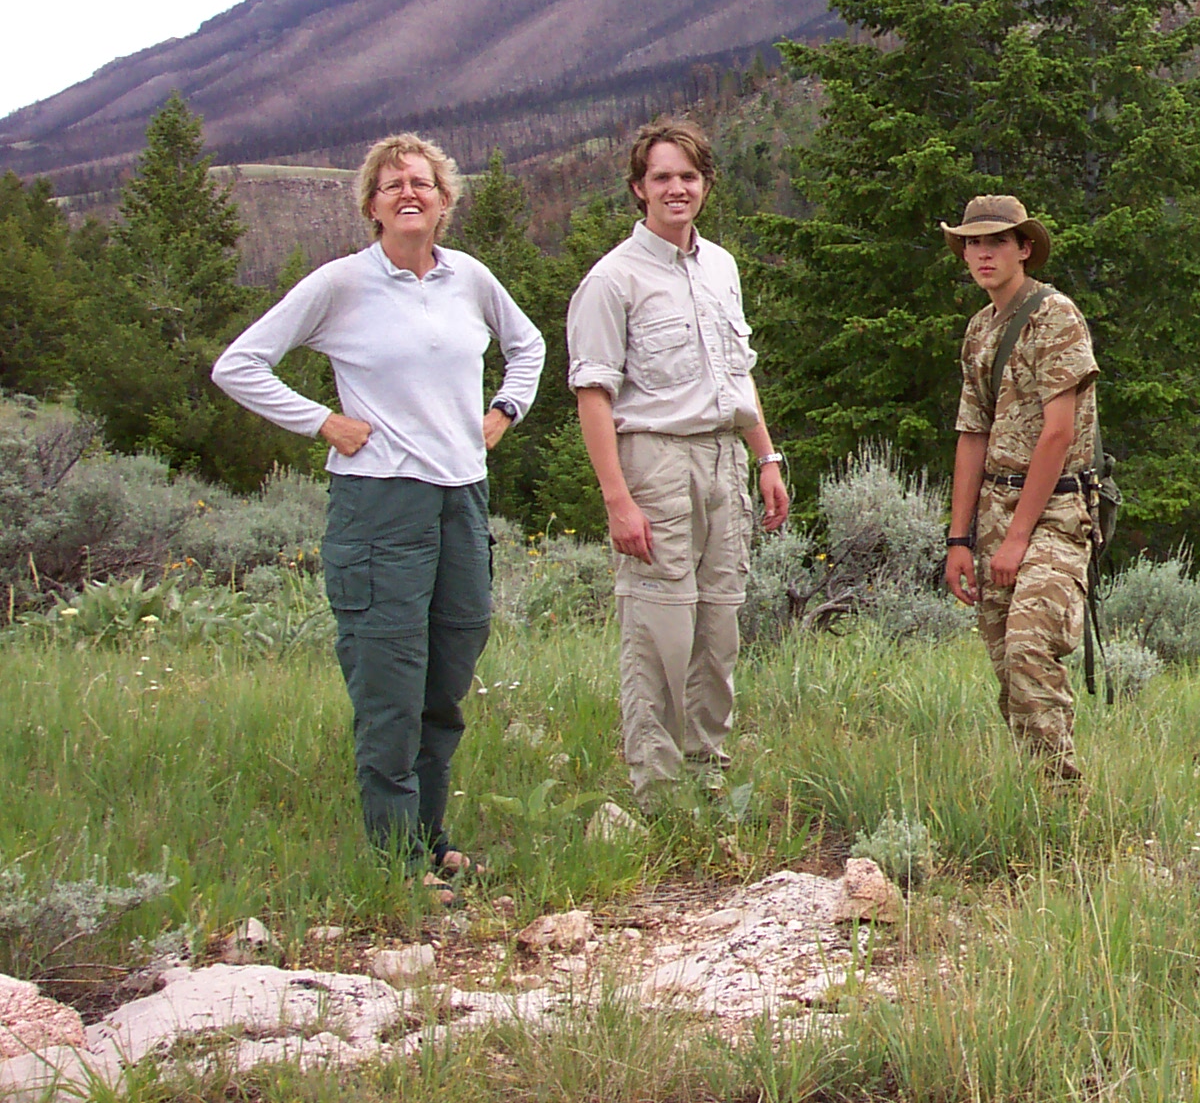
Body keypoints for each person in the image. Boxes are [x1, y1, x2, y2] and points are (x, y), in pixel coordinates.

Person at [212, 132, 543, 888]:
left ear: (445, 199)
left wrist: (505, 411)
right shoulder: (342, 285)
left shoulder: (469, 280)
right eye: (392, 184)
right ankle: (398, 864)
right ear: (372, 205)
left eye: (422, 182)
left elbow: (527, 346)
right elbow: (238, 364)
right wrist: (322, 422)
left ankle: (430, 841)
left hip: (461, 500)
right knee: (390, 680)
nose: (409, 193)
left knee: (445, 678)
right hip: (381, 504)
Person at [567, 118, 789, 802]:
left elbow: (736, 370)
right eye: (661, 177)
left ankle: (709, 782)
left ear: (705, 184)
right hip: (655, 464)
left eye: (688, 177)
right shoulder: (613, 280)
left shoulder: (720, 268)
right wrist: (618, 500)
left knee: (718, 629)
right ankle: (658, 795)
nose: (676, 189)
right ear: (639, 188)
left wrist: (766, 456)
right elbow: (594, 394)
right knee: (660, 630)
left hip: (726, 460)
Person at [940, 194, 1101, 781]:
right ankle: (1035, 801)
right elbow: (971, 434)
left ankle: (1063, 809)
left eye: (997, 242)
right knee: (1009, 669)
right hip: (992, 510)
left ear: (1023, 249)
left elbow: (1057, 434)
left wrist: (1015, 539)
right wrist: (960, 539)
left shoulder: (1055, 317)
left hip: (1054, 510)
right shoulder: (980, 329)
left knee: (1032, 652)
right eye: (973, 243)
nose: (983, 254)